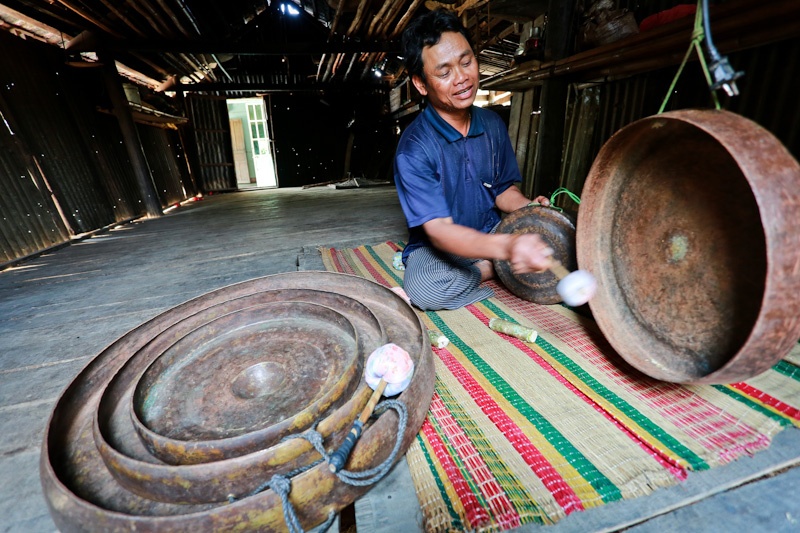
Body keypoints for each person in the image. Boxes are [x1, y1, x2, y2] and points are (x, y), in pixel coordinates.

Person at [394, 9, 553, 311]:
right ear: (421, 83)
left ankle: (496, 263)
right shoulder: (414, 150)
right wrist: (505, 249)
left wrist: (531, 210)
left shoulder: (492, 124)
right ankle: (492, 269)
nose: (462, 78)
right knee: (424, 289)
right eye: (444, 72)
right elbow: (440, 232)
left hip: (492, 231)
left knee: (553, 245)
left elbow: (504, 190)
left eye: (466, 62)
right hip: (441, 248)